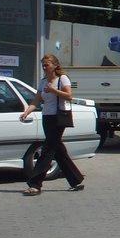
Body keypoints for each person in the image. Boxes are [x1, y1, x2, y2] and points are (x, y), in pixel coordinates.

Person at [19, 54, 86, 196]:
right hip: (47, 117)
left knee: (48, 148)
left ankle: (35, 184)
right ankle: (76, 180)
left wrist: (54, 90)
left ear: (55, 65)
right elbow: (36, 100)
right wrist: (27, 112)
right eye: (43, 65)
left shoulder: (62, 79)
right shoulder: (43, 82)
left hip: (59, 117)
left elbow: (69, 96)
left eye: (47, 64)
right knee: (58, 149)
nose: (45, 67)